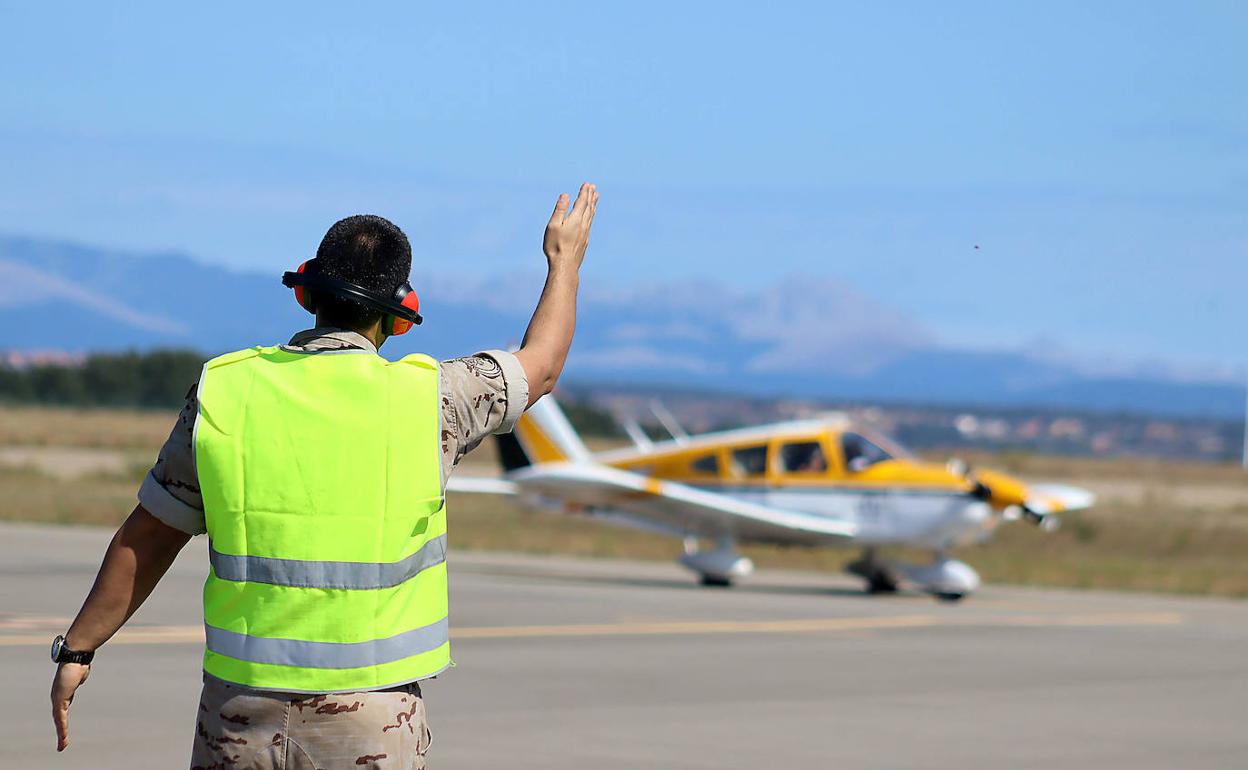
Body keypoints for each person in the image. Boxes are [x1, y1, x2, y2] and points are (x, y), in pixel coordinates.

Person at [49, 183, 599, 769]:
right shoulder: (434, 398)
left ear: (306, 294)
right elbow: (540, 366)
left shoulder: (225, 390)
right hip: (371, 717)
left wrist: (78, 649)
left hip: (240, 712)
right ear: (400, 317)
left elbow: (150, 535)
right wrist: (563, 263)